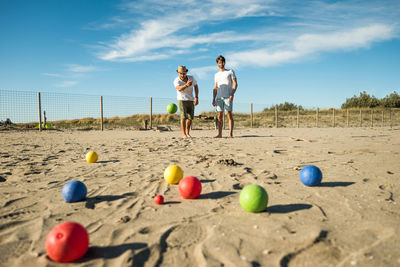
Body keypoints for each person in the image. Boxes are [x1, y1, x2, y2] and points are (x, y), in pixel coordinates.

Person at [212, 55, 238, 138]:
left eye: (222, 62)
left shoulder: (230, 71)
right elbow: (215, 87)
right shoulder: (216, 75)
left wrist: (232, 94)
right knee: (219, 116)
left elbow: (235, 84)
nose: (221, 64)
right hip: (219, 97)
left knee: (229, 114)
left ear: (224, 62)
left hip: (228, 96)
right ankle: (220, 134)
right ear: (217, 64)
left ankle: (230, 134)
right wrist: (213, 99)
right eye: (219, 63)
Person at [173, 65, 199, 138]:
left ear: (186, 72)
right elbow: (179, 88)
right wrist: (186, 85)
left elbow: (196, 86)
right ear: (178, 73)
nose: (182, 75)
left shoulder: (191, 78)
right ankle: (184, 134)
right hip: (181, 99)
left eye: (184, 73)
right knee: (183, 117)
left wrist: (196, 97)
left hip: (191, 99)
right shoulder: (176, 80)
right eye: (180, 73)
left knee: (190, 118)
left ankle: (188, 133)